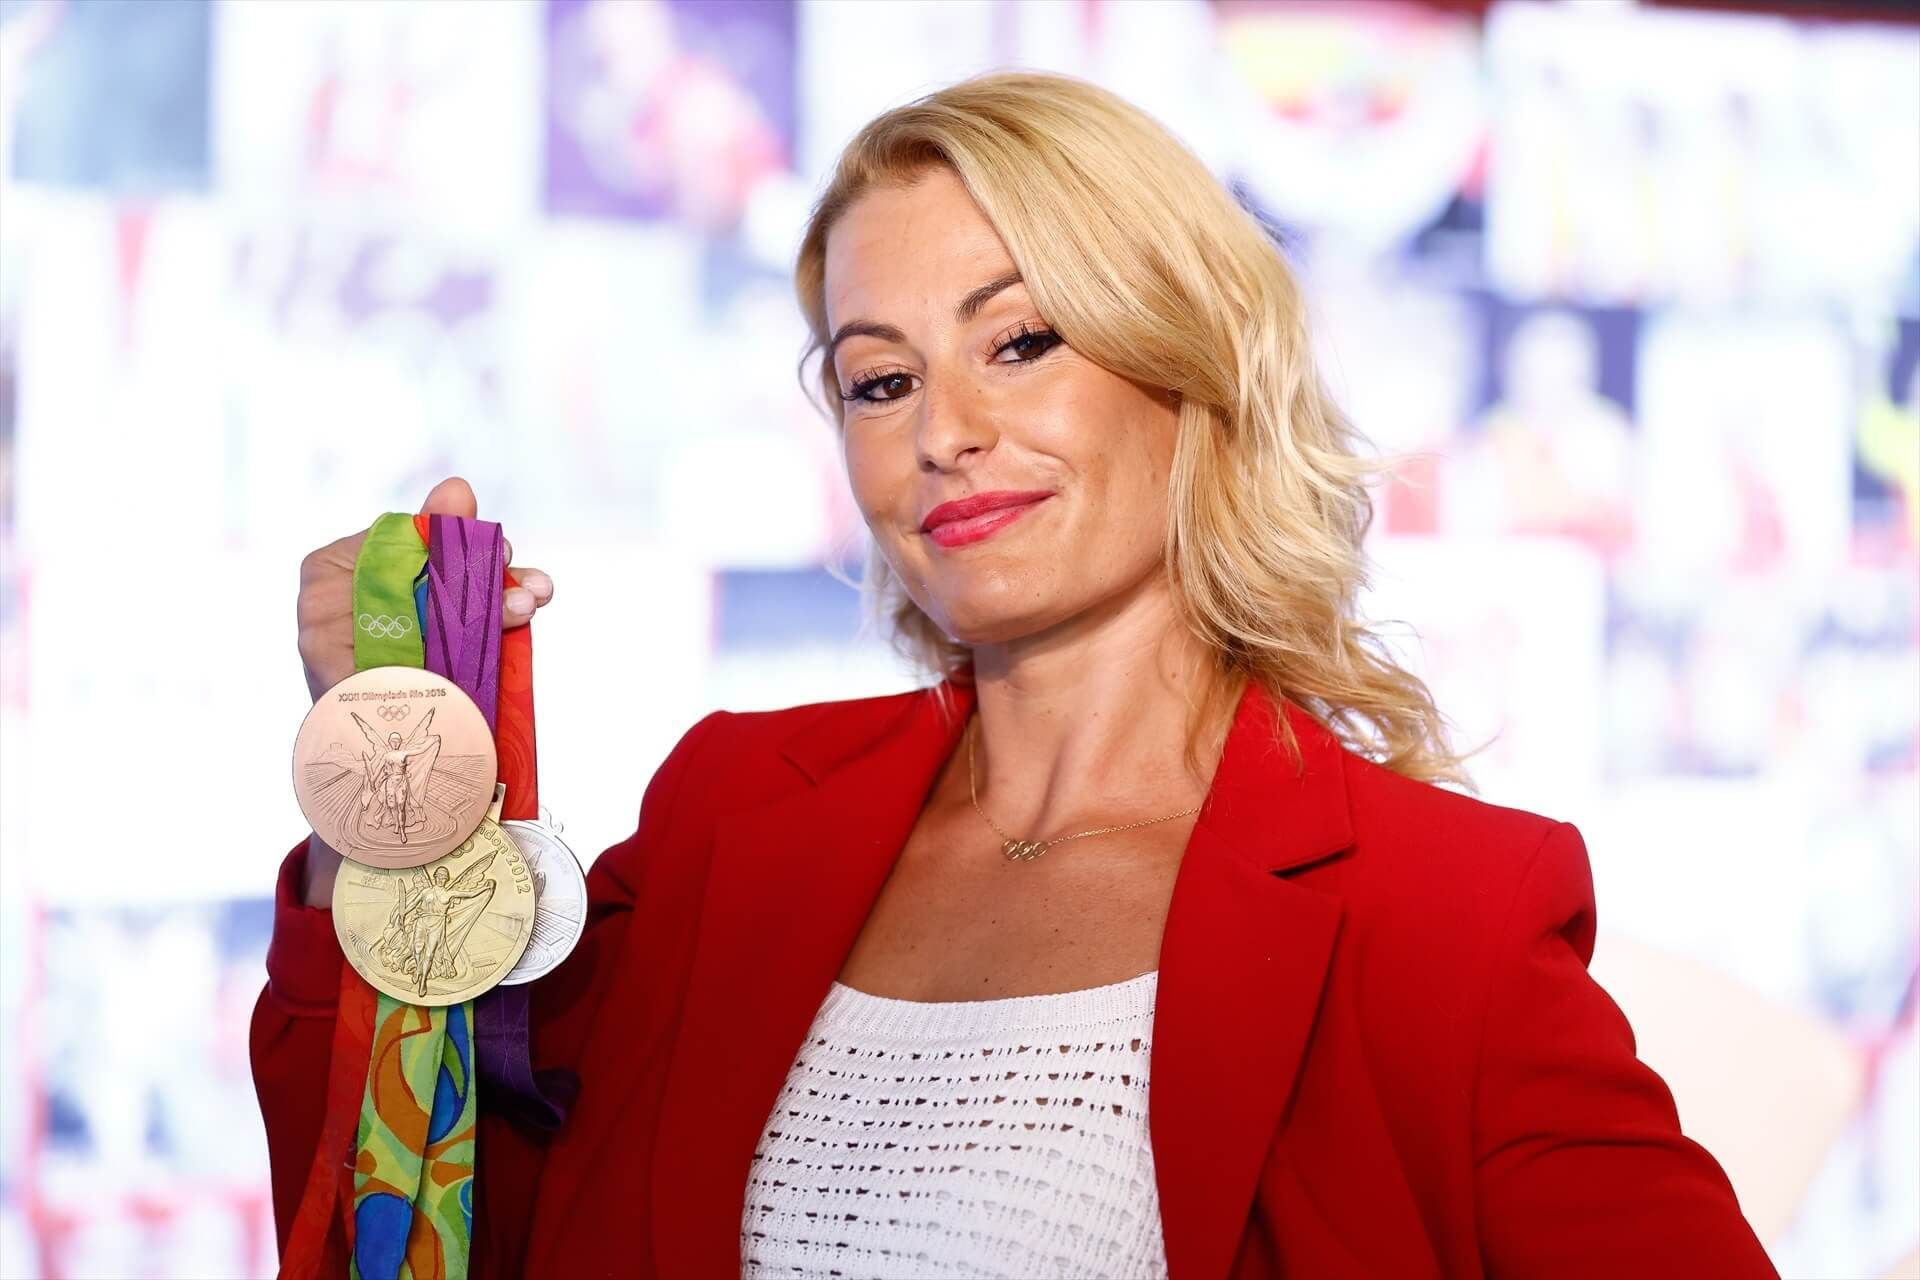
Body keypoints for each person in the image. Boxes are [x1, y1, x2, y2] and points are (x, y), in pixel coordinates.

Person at [252, 71, 1779, 1279]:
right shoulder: (731, 816)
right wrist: (396, 766)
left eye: (1022, 341)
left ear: (1191, 366)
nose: (944, 433)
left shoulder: (1442, 918)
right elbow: (431, 1231)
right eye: (881, 379)